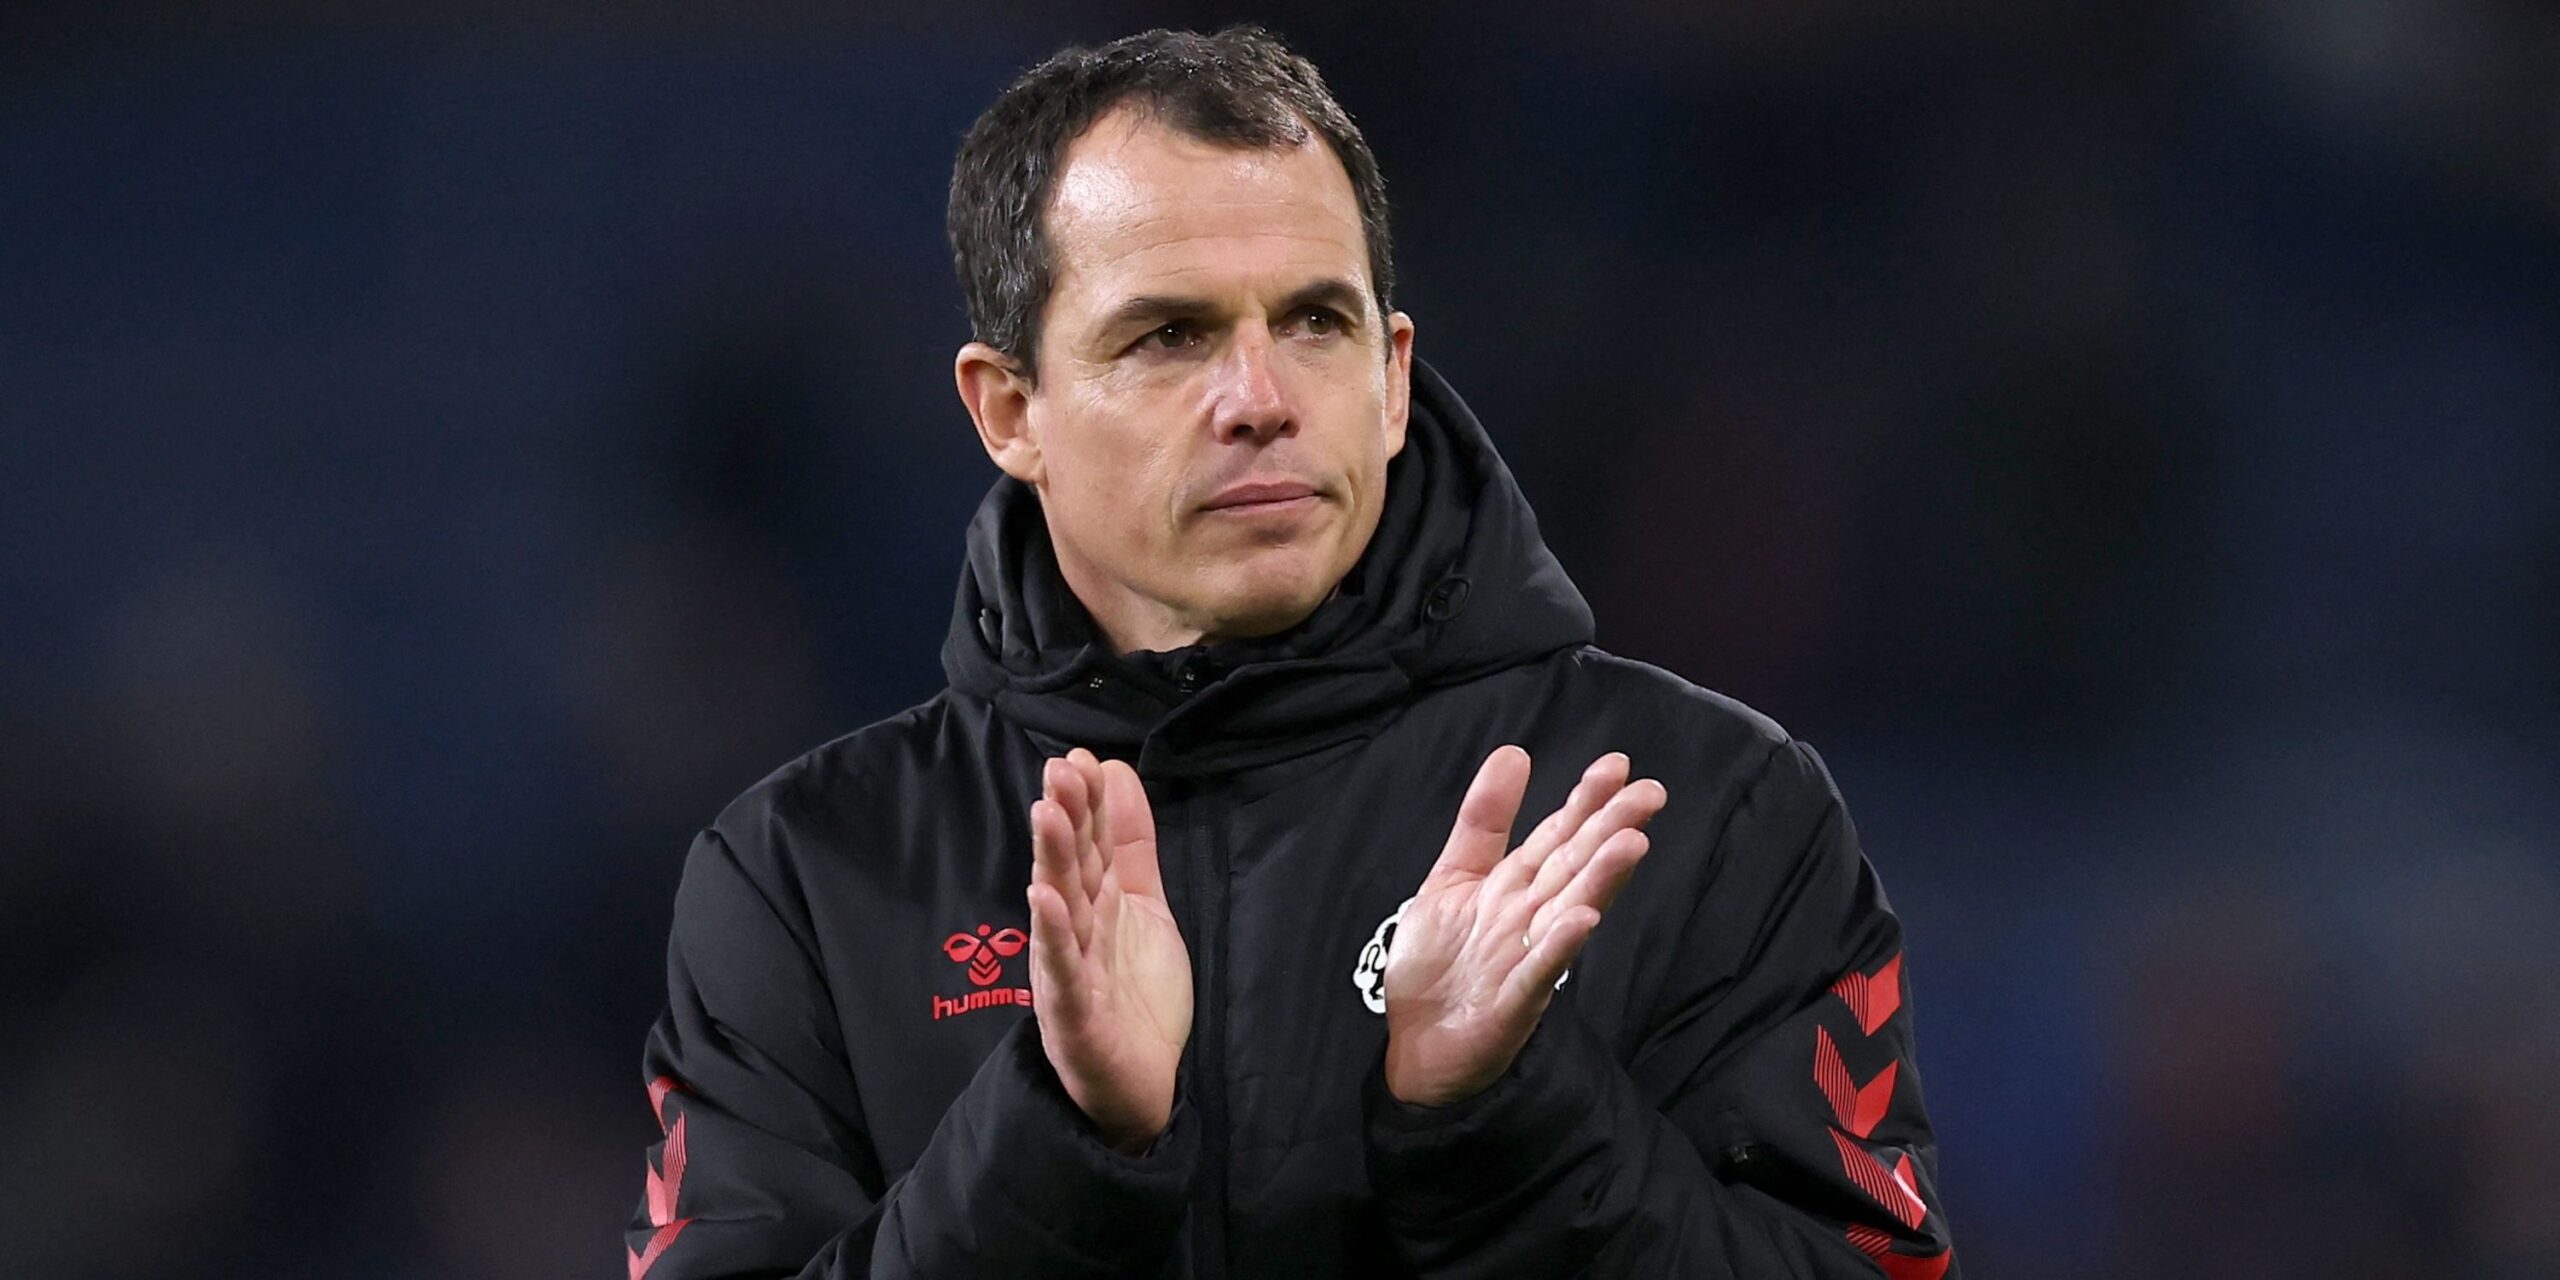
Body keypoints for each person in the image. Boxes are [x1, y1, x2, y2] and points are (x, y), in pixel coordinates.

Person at [628, 25, 1956, 1280]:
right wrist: (1059, 1139)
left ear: (1395, 376)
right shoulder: (806, 876)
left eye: (1317, 322)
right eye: (1171, 336)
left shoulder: (1707, 811)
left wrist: (1506, 1121)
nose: (1262, 401)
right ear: (1010, 410)